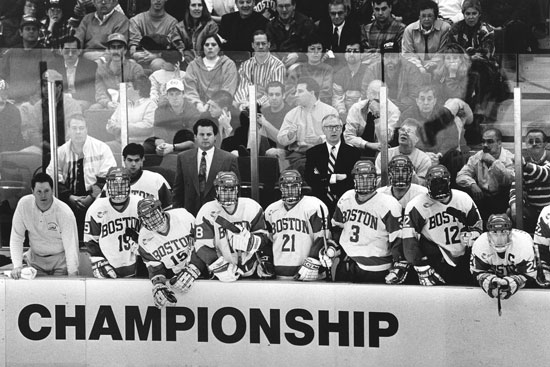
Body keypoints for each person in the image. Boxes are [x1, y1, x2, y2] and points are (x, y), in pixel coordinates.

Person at [403, 164, 483, 286]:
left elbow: (478, 227)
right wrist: (421, 266)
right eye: (435, 183)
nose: (439, 188)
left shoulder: (463, 199)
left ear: (449, 181)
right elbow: (409, 240)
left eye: (442, 183)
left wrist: (472, 235)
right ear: (427, 184)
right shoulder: (416, 206)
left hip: (464, 258)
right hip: (436, 260)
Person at [331, 160, 403, 283]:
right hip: (348, 264)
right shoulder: (346, 197)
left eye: (369, 177)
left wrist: (399, 265)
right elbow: (337, 228)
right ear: (354, 179)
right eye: (360, 177)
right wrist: (333, 247)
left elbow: (398, 239)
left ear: (376, 179)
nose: (364, 181)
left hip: (377, 268)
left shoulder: (388, 204)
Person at [46, 116, 117, 239]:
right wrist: (69, 197)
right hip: (69, 201)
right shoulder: (61, 151)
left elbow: (107, 177)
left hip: (96, 200)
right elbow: (52, 176)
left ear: (86, 129)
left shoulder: (101, 148)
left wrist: (91, 197)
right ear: (68, 130)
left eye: (81, 128)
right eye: (74, 128)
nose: (78, 132)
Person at [194, 171, 270, 281]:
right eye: (224, 190)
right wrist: (220, 266)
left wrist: (253, 242)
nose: (228, 194)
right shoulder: (207, 211)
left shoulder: (251, 207)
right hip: (223, 273)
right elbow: (201, 247)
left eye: (231, 189)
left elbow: (264, 238)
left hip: (251, 271)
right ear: (216, 190)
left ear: (237, 189)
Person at [136, 198, 208, 308]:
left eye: (154, 214)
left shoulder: (183, 217)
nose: (152, 221)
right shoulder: (144, 238)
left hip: (201, 270)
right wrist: (159, 284)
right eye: (146, 218)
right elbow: (155, 267)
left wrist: (195, 268)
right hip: (176, 278)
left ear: (161, 210)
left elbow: (203, 243)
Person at [265, 170, 333, 280]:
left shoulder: (314, 206)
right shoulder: (271, 210)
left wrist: (313, 260)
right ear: (280, 188)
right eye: (286, 186)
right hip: (280, 273)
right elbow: (269, 241)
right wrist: (266, 262)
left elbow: (323, 238)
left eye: (294, 186)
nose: (290, 190)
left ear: (300, 187)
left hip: (309, 272)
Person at [9, 172, 79, 278]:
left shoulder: (65, 212)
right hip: (35, 261)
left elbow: (71, 245)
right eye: (39, 191)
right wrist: (17, 266)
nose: (43, 195)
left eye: (46, 191)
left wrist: (73, 273)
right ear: (32, 191)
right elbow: (16, 237)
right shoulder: (24, 205)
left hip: (60, 262)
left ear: (52, 191)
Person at [376, 155, 427, 284]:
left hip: (415, 247)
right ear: (390, 173)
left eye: (404, 170)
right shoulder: (380, 194)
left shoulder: (423, 194)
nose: (400, 174)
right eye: (396, 171)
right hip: (388, 247)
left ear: (411, 173)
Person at [172, 118, 240, 216]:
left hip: (219, 215)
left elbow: (236, 192)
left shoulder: (229, 159)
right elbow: (178, 191)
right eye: (201, 134)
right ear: (195, 137)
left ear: (215, 137)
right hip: (190, 214)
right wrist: (177, 215)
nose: (205, 138)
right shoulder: (183, 158)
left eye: (209, 134)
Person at [84, 167, 141, 278]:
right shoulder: (96, 208)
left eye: (122, 184)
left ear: (129, 185)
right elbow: (91, 241)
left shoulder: (139, 204)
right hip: (109, 268)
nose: (119, 189)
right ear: (108, 186)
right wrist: (99, 261)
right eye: (115, 185)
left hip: (140, 265)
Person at [277, 77, 338, 175]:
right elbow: (280, 139)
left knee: (305, 164)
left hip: (322, 152)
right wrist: (289, 136)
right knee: (293, 163)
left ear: (312, 93)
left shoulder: (329, 112)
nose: (296, 95)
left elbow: (336, 137)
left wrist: (320, 139)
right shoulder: (292, 114)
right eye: (296, 92)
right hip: (298, 154)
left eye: (300, 91)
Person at [305, 114, 361, 215]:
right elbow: (309, 178)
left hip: (346, 201)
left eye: (337, 127)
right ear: (323, 130)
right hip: (319, 201)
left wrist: (322, 178)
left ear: (341, 129)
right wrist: (334, 177)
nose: (333, 130)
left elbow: (353, 179)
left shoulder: (353, 153)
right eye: (329, 127)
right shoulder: (313, 153)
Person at [471, 214, 538, 299]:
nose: (499, 240)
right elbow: (476, 274)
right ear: (488, 235)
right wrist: (489, 282)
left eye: (504, 233)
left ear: (510, 234)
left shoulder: (523, 244)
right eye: (494, 233)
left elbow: (530, 277)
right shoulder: (480, 244)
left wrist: (514, 283)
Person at [456, 128, 514, 223]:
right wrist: (472, 184)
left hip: (503, 198)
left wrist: (494, 162)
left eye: (490, 142)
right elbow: (460, 176)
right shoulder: (477, 157)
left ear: (499, 143)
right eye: (483, 142)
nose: (485, 145)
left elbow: (511, 178)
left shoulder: (509, 158)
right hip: (482, 197)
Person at [0, 15, 52, 104]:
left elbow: (49, 79)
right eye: (27, 29)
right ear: (21, 32)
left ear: (38, 33)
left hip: (37, 103)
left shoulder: (46, 53)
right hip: (12, 101)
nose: (31, 31)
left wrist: (36, 99)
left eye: (34, 29)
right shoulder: (11, 53)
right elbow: (2, 77)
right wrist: (5, 97)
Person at [360, 40, 424, 113]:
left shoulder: (411, 70)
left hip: (405, 112)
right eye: (387, 56)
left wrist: (390, 106)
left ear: (399, 56)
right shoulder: (372, 70)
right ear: (382, 57)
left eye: (393, 56)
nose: (390, 60)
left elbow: (415, 97)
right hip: (378, 111)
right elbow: (365, 95)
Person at [344, 79, 400, 159]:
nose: (377, 97)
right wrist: (367, 144)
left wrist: (378, 115)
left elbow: (386, 139)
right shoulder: (356, 108)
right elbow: (348, 137)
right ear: (367, 94)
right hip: (359, 150)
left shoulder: (393, 111)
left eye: (380, 94)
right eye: (373, 93)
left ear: (386, 95)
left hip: (382, 154)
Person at [183, 34, 238, 114]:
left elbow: (227, 89)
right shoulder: (193, 65)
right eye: (207, 45)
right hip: (197, 108)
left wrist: (210, 104)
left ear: (219, 48)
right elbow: (189, 88)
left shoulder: (228, 64)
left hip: (221, 107)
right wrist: (198, 104)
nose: (210, 47)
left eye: (213, 44)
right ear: (203, 48)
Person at [509, 129, 550, 234]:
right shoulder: (523, 161)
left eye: (538, 141)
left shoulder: (524, 163)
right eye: (530, 141)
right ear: (526, 144)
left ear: (545, 144)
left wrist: (524, 166)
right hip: (533, 210)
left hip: (549, 210)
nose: (534, 144)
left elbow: (545, 174)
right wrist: (514, 204)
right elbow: (516, 186)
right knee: (511, 212)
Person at [233, 30, 285, 111]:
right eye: (257, 44)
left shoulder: (278, 66)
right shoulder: (245, 65)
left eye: (263, 43)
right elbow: (242, 89)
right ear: (252, 45)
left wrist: (255, 104)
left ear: (269, 44)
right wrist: (243, 103)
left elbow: (276, 93)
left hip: (268, 107)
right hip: (246, 105)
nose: (260, 47)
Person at [92, 32, 146, 110]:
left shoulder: (135, 68)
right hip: (109, 105)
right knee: (94, 108)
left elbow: (140, 92)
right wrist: (107, 103)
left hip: (130, 104)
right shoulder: (101, 69)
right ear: (109, 50)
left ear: (124, 50)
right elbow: (100, 93)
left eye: (119, 47)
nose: (116, 51)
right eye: (113, 47)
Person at [375, 119, 432, 186]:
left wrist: (409, 173)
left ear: (417, 139)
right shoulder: (384, 155)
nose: (404, 133)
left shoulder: (424, 159)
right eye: (402, 130)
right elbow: (378, 182)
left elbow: (423, 185)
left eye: (409, 131)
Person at [401, 0, 451, 75]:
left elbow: (443, 52)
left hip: (438, 66)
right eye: (423, 16)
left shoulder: (445, 28)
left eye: (430, 16)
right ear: (419, 17)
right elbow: (408, 53)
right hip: (415, 67)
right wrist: (419, 67)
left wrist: (430, 65)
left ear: (435, 17)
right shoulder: (409, 30)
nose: (426, 19)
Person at [51, 35, 98, 111]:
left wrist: (70, 97)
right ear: (61, 51)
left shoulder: (90, 66)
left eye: (73, 51)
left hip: (81, 101)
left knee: (74, 107)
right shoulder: (53, 66)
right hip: (60, 101)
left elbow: (90, 91)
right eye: (66, 51)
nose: (70, 54)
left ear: (79, 51)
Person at [106, 75, 157, 144]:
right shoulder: (123, 104)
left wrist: (123, 127)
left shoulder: (150, 105)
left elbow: (148, 127)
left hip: (141, 144)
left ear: (137, 90)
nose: (124, 89)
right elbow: (110, 124)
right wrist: (113, 127)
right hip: (120, 142)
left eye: (128, 87)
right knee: (104, 148)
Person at [285, 34, 334, 106]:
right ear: (306, 51)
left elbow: (326, 93)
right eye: (312, 49)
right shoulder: (298, 69)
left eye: (319, 49)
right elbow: (289, 93)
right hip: (298, 107)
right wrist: (301, 103)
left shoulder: (327, 69)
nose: (316, 52)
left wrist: (311, 103)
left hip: (319, 107)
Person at [128, 0, 177, 70]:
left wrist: (156, 55)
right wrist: (134, 54)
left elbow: (171, 48)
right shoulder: (136, 20)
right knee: (130, 63)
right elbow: (134, 43)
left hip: (161, 59)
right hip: (141, 57)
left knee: (157, 63)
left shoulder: (172, 23)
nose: (158, 1)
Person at [119, 143, 172, 208]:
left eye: (137, 160)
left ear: (142, 160)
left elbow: (169, 208)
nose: (133, 164)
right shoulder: (113, 182)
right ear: (124, 159)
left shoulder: (156, 179)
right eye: (130, 160)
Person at [265, 0, 316, 66]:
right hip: (277, 65)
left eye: (287, 6)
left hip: (303, 66)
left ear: (294, 6)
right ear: (276, 7)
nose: (284, 9)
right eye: (280, 6)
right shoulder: (271, 26)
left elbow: (312, 48)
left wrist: (298, 55)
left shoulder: (306, 23)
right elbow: (270, 49)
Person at [169, 0, 218, 66]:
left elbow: (211, 48)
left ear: (203, 7)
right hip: (185, 63)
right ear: (188, 8)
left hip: (207, 62)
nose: (197, 8)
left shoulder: (211, 26)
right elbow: (180, 50)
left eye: (200, 5)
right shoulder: (178, 27)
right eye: (193, 5)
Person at [153, 78, 201, 145]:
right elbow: (159, 131)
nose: (174, 97)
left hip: (186, 145)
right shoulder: (160, 111)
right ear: (167, 96)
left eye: (177, 94)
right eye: (171, 94)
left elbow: (191, 135)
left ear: (183, 94)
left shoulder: (193, 111)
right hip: (166, 144)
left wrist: (174, 146)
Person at [332, 41, 368, 120]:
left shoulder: (368, 73)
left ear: (361, 54)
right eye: (348, 51)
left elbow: (367, 97)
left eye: (355, 51)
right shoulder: (339, 75)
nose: (351, 54)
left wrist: (356, 113)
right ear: (344, 54)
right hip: (344, 116)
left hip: (364, 114)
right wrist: (342, 113)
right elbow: (337, 98)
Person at [0, 80, 25, 153]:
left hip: (11, 151)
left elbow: (11, 137)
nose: (1, 98)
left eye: (3, 94)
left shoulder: (13, 111)